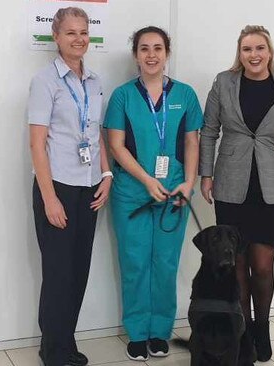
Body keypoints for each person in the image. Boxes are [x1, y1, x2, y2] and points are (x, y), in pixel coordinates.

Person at [199, 25, 274, 362]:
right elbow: (209, 131)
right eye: (247, 49)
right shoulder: (224, 82)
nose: (254, 55)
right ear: (239, 52)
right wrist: (205, 175)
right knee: (236, 265)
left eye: (260, 48)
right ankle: (242, 331)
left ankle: (261, 328)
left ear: (269, 51)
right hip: (231, 185)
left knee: (262, 265)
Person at [103, 26, 203, 361]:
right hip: (132, 193)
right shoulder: (123, 96)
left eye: (157, 48)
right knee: (134, 263)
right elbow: (115, 146)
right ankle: (136, 332)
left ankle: (160, 332)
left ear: (167, 53)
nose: (151, 55)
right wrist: (146, 180)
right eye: (144, 48)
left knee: (165, 263)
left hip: (174, 193)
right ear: (135, 55)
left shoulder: (185, 95)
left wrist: (188, 183)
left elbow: (192, 141)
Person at [27, 7, 112, 366]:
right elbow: (37, 144)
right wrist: (49, 199)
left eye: (83, 32)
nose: (79, 39)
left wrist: (106, 175)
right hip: (58, 188)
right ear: (56, 37)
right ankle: (53, 350)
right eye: (71, 33)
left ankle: (65, 343)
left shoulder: (94, 80)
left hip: (89, 187)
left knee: (78, 272)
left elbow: (95, 135)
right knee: (59, 273)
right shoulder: (45, 81)